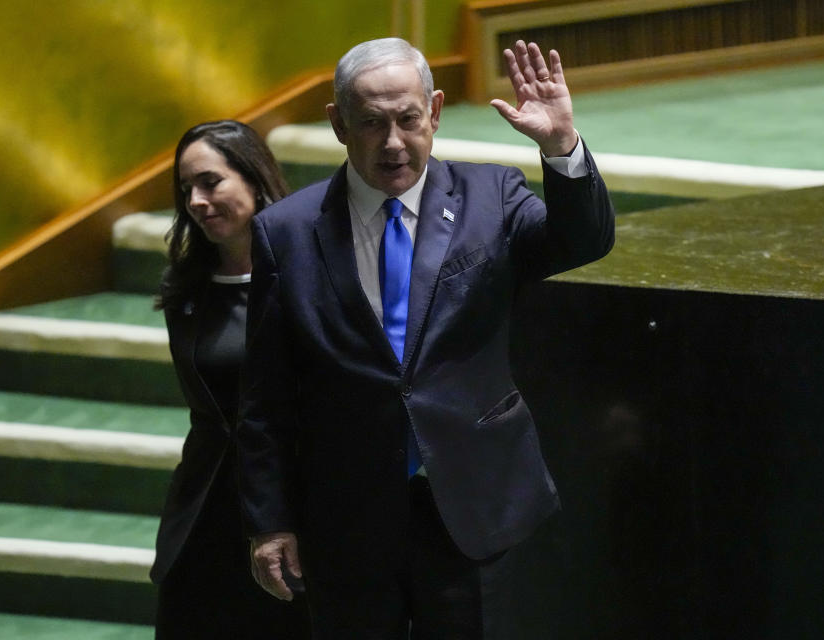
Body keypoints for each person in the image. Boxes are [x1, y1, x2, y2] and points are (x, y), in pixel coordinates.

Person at [238, 38, 615, 638]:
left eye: (408, 119)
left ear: (434, 112)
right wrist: (269, 521)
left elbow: (584, 240)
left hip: (471, 509)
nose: (393, 143)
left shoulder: (491, 198)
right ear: (338, 124)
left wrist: (560, 147)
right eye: (371, 123)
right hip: (349, 517)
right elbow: (266, 395)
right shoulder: (284, 233)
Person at [149, 120, 308, 638]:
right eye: (185, 189)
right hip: (206, 508)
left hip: (293, 507)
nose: (196, 199)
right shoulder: (186, 287)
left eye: (210, 182)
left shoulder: (309, 275)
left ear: (254, 179)